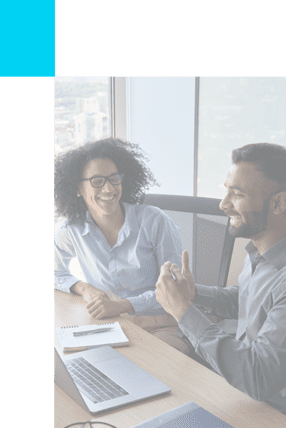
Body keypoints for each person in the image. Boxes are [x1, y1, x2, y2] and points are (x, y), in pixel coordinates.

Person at [156, 142, 286, 413]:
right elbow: (248, 299)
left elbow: (260, 377)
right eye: (226, 192)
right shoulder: (260, 253)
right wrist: (193, 294)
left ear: (278, 203)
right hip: (243, 393)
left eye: (236, 195)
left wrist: (183, 311)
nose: (223, 205)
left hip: (270, 408)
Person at [54, 138, 187, 352]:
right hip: (112, 325)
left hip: (163, 324)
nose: (108, 189)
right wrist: (84, 288)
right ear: (78, 187)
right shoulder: (72, 230)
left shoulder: (154, 221)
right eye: (97, 181)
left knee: (147, 369)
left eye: (114, 179)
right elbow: (54, 272)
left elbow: (176, 290)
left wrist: (122, 306)